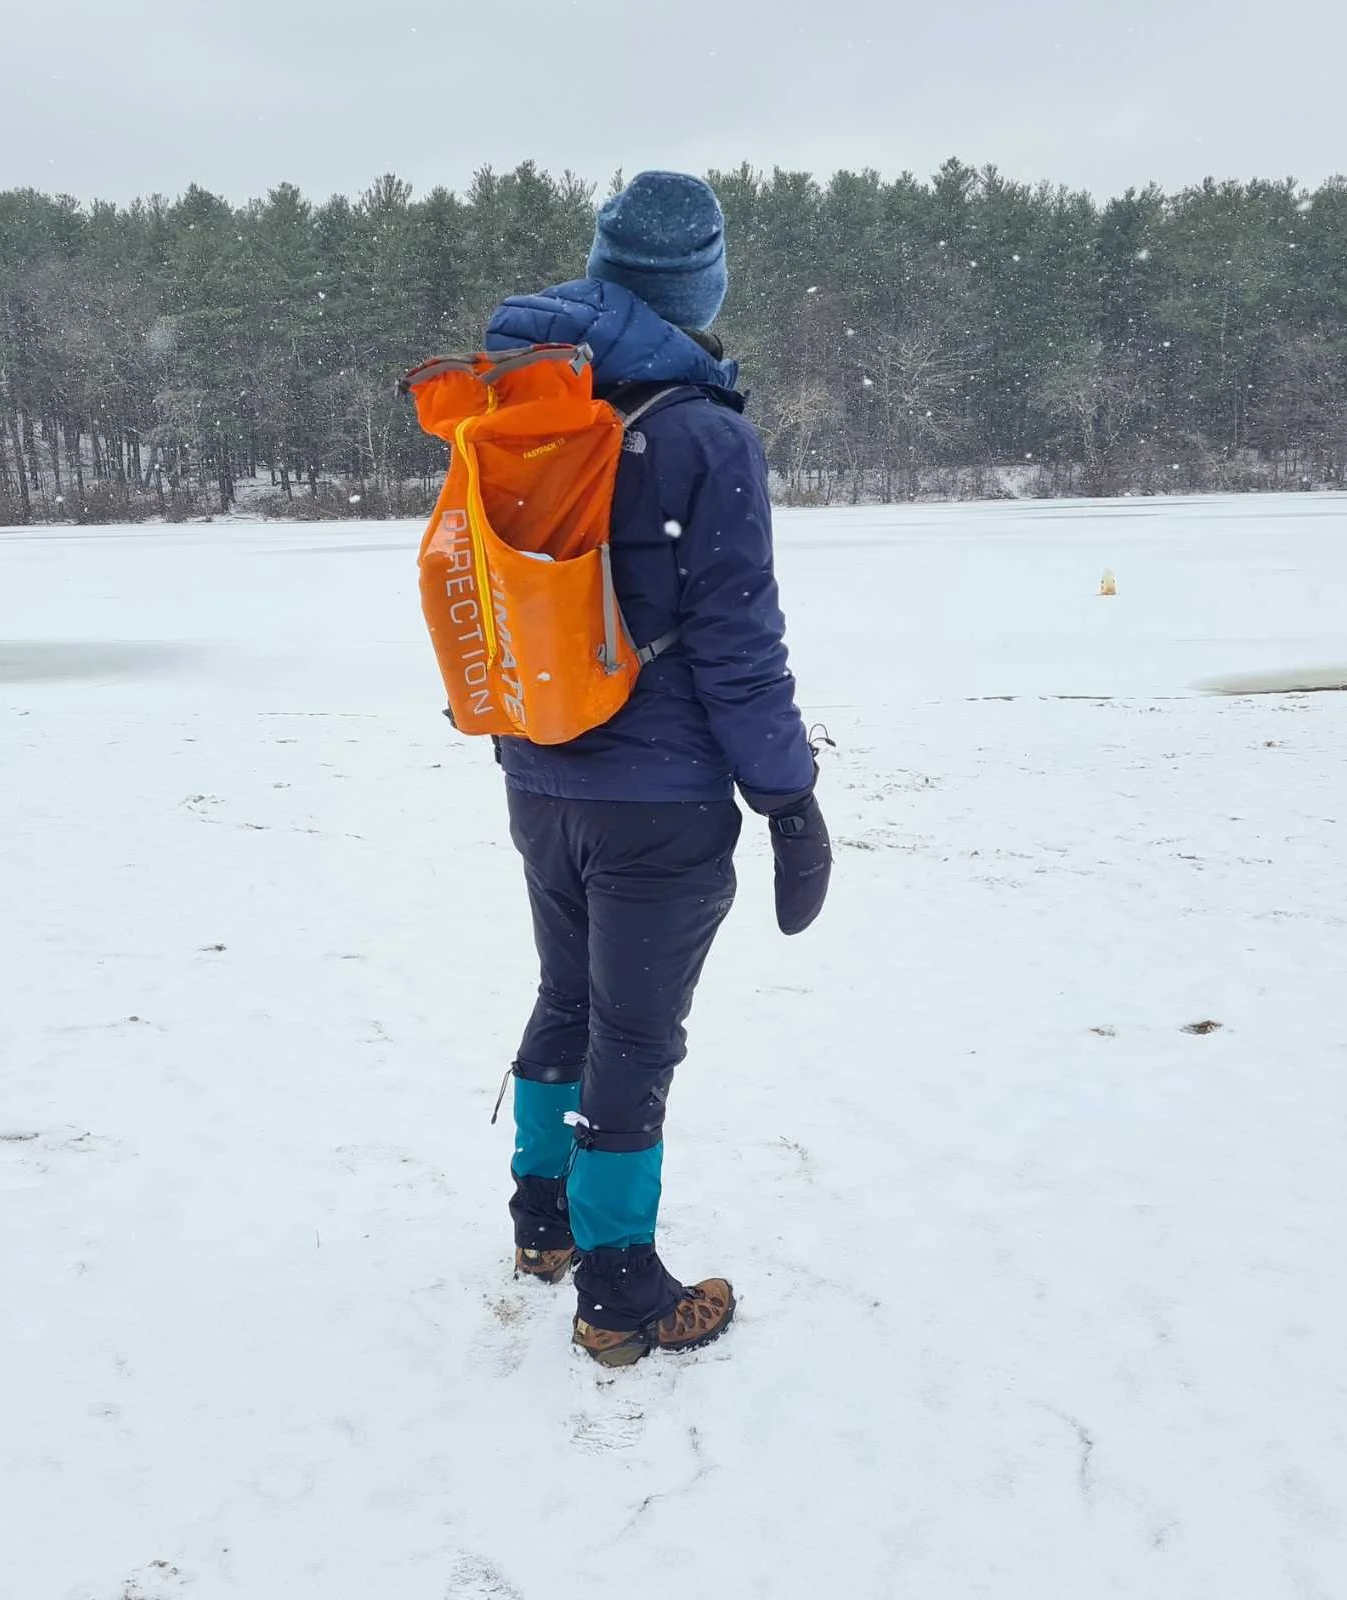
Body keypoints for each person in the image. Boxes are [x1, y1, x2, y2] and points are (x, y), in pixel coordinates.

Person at [480, 171, 831, 1367]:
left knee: (568, 996)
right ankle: (620, 1287)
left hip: (538, 767)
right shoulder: (701, 433)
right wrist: (788, 798)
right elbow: (738, 645)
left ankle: (542, 1222)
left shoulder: (520, 406)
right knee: (635, 1033)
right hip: (659, 795)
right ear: (701, 290)